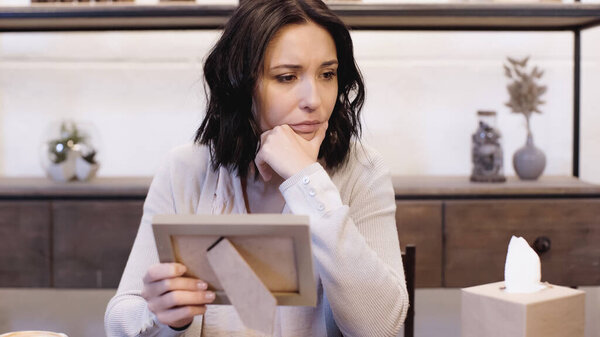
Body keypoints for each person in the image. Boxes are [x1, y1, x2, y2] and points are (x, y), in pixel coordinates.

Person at [104, 0, 408, 336]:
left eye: (327, 74)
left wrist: (305, 179)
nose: (315, 99)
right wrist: (168, 317)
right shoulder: (187, 169)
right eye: (287, 77)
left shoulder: (361, 170)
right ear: (241, 84)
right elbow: (121, 316)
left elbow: (382, 327)